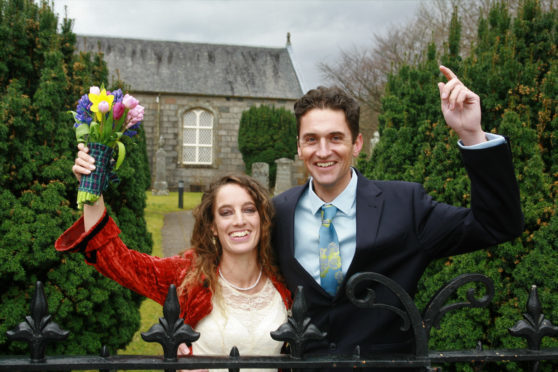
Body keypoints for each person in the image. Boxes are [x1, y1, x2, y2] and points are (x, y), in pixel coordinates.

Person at [271, 66, 524, 367]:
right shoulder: (277, 212)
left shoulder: (405, 205)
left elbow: (497, 224)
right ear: (299, 147)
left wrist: (471, 134)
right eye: (311, 139)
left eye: (336, 138)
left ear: (358, 143)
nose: (323, 151)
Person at [55, 167, 291, 371]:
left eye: (249, 209)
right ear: (212, 226)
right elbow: (118, 260)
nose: (239, 220)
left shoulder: (285, 277)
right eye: (226, 212)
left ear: (262, 218)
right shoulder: (187, 274)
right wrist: (91, 190)